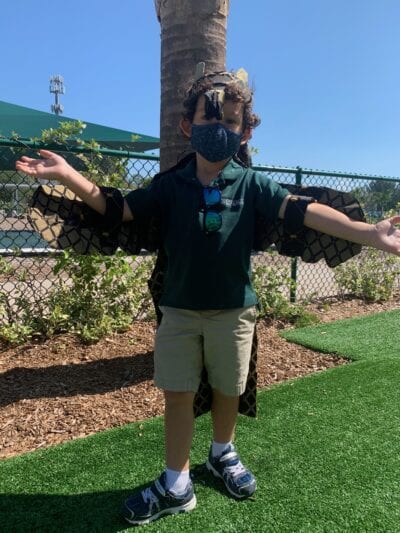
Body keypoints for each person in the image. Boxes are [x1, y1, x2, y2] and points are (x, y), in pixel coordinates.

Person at [16, 66, 400, 527]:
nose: (219, 128)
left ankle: (222, 453)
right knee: (177, 394)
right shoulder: (169, 186)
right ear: (188, 126)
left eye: (231, 121)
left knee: (227, 389)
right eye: (208, 118)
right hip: (178, 312)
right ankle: (176, 484)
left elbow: (303, 211)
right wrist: (70, 176)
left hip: (234, 313)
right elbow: (117, 209)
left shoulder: (253, 184)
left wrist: (368, 233)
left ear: (245, 131)